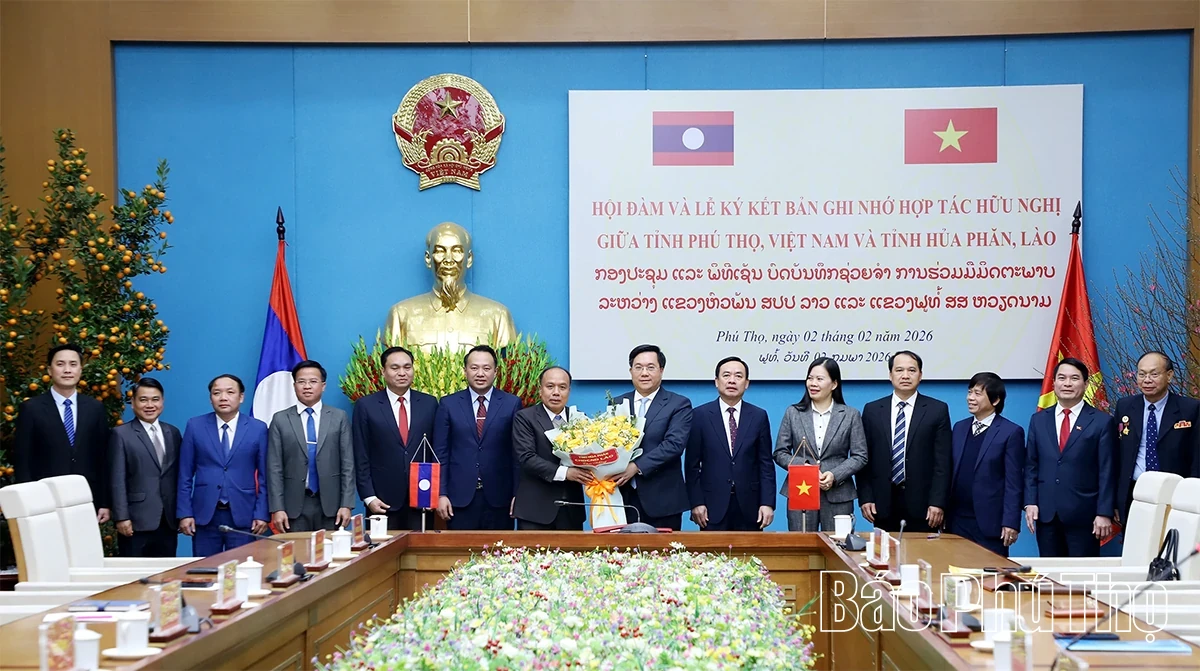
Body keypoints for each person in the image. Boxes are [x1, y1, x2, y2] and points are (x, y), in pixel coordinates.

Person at [1024, 358, 1118, 557]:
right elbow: (1031, 465)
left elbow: (1107, 471)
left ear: (1085, 384)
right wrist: (1030, 502)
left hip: (1085, 516)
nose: (1067, 383)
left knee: (1082, 579)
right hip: (1047, 514)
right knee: (1050, 580)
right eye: (1062, 378)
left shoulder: (1102, 422)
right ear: (1054, 384)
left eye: (1074, 378)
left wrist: (1104, 512)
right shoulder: (1039, 420)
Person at [14, 344, 112, 522]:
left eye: (73, 364)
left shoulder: (95, 408)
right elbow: (23, 459)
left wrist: (104, 501)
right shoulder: (31, 408)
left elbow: (103, 457)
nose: (67, 370)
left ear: (81, 370)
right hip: (44, 501)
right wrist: (27, 502)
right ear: (50, 370)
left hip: (85, 499)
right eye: (60, 364)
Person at [858, 351, 952, 533]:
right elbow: (864, 459)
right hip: (882, 503)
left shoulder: (937, 410)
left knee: (923, 558)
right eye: (899, 370)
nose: (905, 376)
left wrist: (937, 502)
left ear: (920, 375)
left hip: (924, 506)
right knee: (885, 557)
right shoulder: (872, 410)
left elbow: (943, 462)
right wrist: (866, 497)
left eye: (912, 370)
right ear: (890, 375)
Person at [384, 222, 517, 350]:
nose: (448, 260)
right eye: (440, 251)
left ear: (469, 259)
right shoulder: (401, 315)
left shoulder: (497, 316)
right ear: (428, 259)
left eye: (457, 251)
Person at [176, 374, 269, 556]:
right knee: (205, 571)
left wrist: (261, 513)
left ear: (241, 397)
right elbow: (184, 474)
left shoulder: (258, 428)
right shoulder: (195, 426)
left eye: (230, 392)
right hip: (205, 513)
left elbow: (265, 476)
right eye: (217, 393)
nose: (223, 397)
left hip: (244, 513)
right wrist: (185, 513)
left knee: (242, 569)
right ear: (211, 398)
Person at [433, 345, 522, 530]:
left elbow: (517, 455)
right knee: (459, 555)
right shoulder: (448, 404)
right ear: (465, 370)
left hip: (500, 498)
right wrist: (441, 493)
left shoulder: (511, 403)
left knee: (499, 555)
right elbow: (440, 453)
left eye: (486, 368)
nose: (480, 373)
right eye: (474, 368)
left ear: (496, 371)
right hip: (459, 498)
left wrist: (518, 494)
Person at [773, 357, 867, 532]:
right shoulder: (793, 413)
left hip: (838, 494)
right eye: (810, 378)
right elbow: (780, 452)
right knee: (801, 548)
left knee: (839, 549)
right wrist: (807, 469)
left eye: (819, 379)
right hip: (801, 490)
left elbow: (860, 455)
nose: (813, 383)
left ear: (834, 384)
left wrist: (834, 475)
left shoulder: (850, 415)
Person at [351, 346, 438, 531]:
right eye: (395, 368)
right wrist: (369, 497)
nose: (402, 373)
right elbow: (361, 454)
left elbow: (436, 450)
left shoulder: (430, 403)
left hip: (421, 499)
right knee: (383, 554)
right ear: (383, 371)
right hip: (382, 501)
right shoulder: (366, 406)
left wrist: (434, 493)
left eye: (407, 367)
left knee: (421, 554)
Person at [686, 356, 775, 531]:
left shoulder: (758, 416)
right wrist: (696, 502)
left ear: (747, 383)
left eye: (738, 376)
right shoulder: (700, 415)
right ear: (716, 382)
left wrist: (767, 503)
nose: (732, 380)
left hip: (750, 506)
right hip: (711, 507)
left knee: (750, 557)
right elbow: (691, 465)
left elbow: (765, 464)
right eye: (726, 375)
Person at [610, 344, 693, 530]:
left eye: (650, 367)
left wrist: (636, 467)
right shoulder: (616, 403)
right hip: (621, 497)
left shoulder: (678, 404)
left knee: (663, 557)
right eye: (638, 367)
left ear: (661, 370)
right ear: (631, 371)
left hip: (662, 500)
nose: (644, 373)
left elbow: (674, 445)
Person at [267, 360, 355, 532]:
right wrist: (277, 508)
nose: (307, 386)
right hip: (294, 505)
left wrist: (347, 504)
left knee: (332, 556)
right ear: (294, 386)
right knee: (298, 557)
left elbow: (348, 464)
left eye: (313, 381)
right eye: (301, 382)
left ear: (323, 386)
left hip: (332, 504)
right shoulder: (280, 419)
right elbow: (274, 467)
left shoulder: (339, 417)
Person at [1115, 351, 1200, 523]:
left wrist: (1193, 495)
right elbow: (1116, 453)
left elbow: (1197, 456)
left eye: (1154, 374)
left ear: (1169, 375)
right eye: (1142, 374)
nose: (1147, 380)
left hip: (1175, 492)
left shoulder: (1190, 409)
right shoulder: (1125, 406)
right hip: (1134, 491)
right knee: (1136, 545)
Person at [946, 373, 1025, 556]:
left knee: (990, 577)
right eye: (970, 392)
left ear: (995, 400)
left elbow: (1014, 482)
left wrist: (1011, 522)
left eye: (978, 393)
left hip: (990, 522)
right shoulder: (959, 427)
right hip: (956, 520)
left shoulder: (1011, 432)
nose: (970, 398)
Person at [512, 366, 591, 530]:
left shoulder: (579, 419)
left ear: (569, 391)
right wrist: (567, 473)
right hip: (535, 512)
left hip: (571, 511)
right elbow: (527, 458)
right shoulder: (525, 417)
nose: (556, 392)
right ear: (540, 390)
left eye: (562, 387)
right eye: (550, 386)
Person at [109, 377, 181, 557]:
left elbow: (178, 475)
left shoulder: (172, 432)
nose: (150, 405)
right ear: (133, 403)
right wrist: (121, 517)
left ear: (162, 402)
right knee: (134, 576)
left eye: (155, 399)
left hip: (168, 520)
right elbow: (117, 479)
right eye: (143, 399)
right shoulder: (121, 434)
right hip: (135, 521)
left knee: (165, 577)